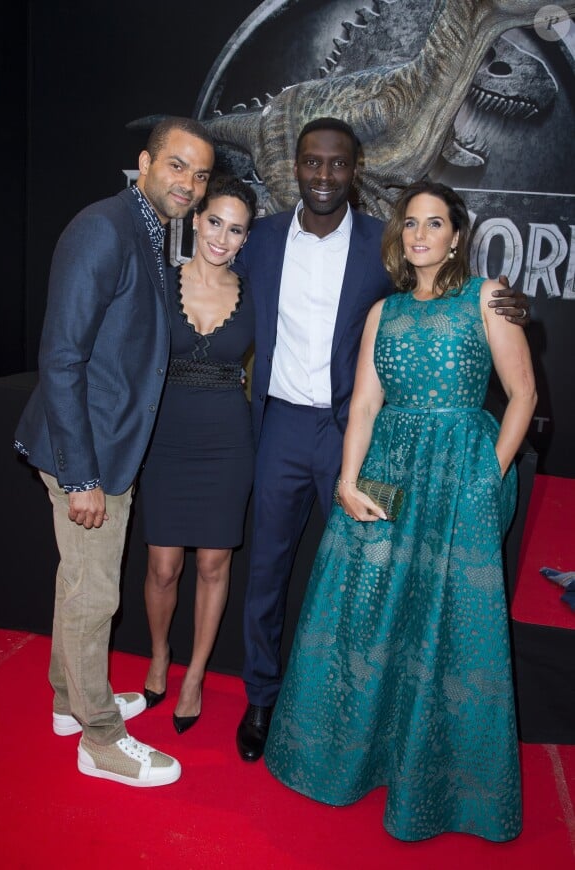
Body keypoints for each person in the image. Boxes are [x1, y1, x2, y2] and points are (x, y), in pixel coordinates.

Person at [234, 117, 531, 762]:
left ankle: (365, 716)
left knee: (367, 582)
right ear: (296, 165)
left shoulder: (381, 244)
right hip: (281, 423)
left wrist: (514, 309)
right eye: (311, 162)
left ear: (355, 169)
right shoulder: (259, 239)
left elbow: (444, 304)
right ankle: (261, 696)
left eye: (336, 164)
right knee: (266, 569)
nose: (322, 175)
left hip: (360, 433)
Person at [14, 117, 215, 786]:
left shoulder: (150, 232)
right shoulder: (104, 228)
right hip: (85, 453)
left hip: (103, 447)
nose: (189, 182)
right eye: (178, 166)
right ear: (145, 162)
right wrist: (81, 476)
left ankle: (70, 702)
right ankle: (99, 740)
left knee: (79, 583)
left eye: (200, 173)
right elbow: (62, 357)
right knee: (95, 593)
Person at [138, 175, 256, 733]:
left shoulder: (256, 292)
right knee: (164, 567)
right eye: (215, 222)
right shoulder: (159, 282)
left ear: (245, 238)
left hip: (228, 443)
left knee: (214, 564)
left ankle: (194, 675)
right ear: (196, 220)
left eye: (236, 230)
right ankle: (161, 654)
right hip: (166, 437)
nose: (222, 237)